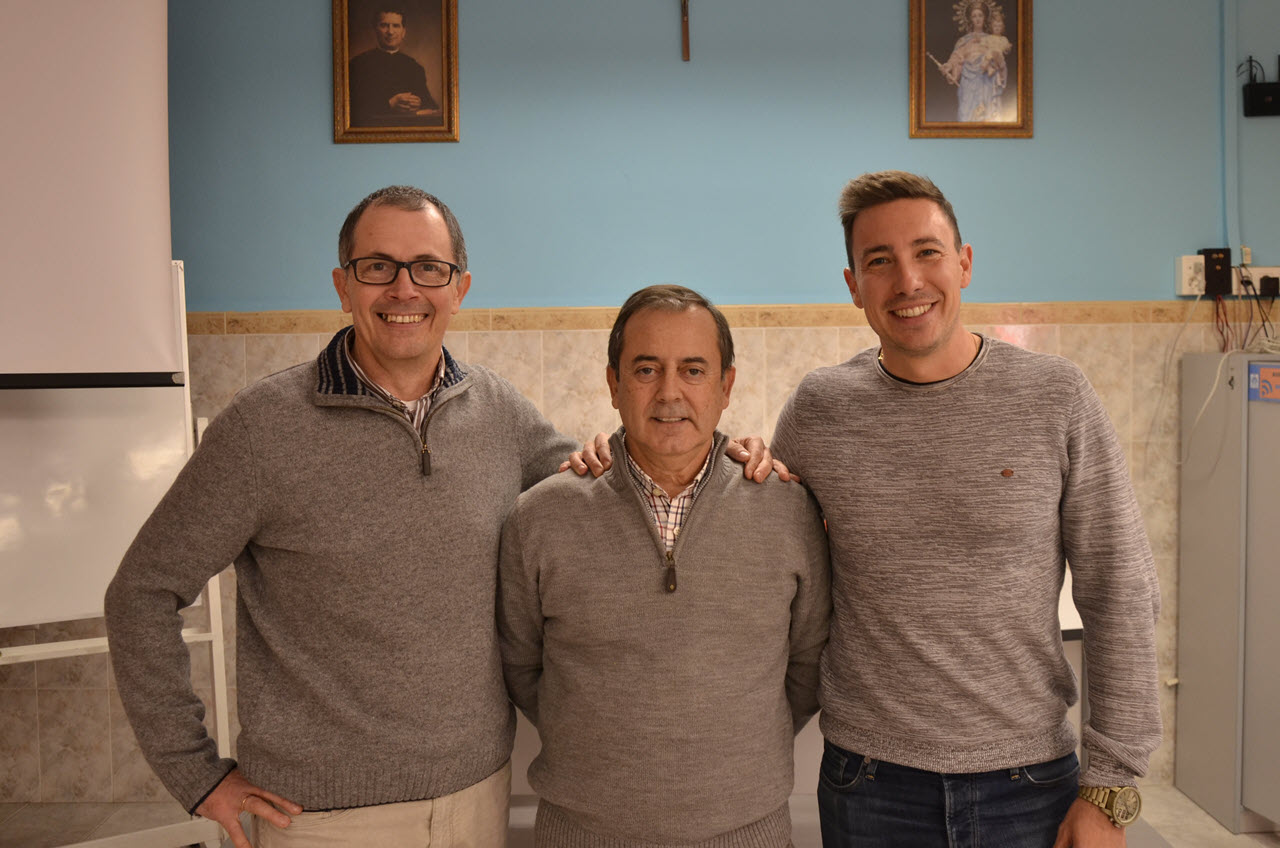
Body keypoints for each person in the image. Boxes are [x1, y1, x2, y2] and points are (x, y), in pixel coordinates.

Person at [104, 185, 582, 848]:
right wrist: (194, 772)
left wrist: (722, 459)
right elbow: (142, 591)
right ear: (343, 285)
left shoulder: (501, 413)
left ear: (460, 288)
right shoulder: (262, 427)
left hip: (476, 796)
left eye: (429, 268)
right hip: (319, 818)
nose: (404, 288)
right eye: (378, 266)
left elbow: (597, 491)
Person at [770, 170, 1162, 847]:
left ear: (965, 263)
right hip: (868, 784)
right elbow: (763, 546)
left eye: (927, 252)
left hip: (1029, 786)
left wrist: (1110, 788)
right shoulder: (820, 408)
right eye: (879, 261)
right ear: (854, 285)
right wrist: (618, 456)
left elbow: (1120, 589)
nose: (908, 281)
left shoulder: (1055, 395)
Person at [498, 285, 831, 846]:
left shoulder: (787, 510)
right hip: (581, 834)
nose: (669, 392)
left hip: (747, 833)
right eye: (646, 369)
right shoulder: (540, 517)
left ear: (726, 386)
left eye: (693, 370)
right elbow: (521, 665)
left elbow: (807, 666)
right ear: (614, 384)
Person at [348, 7, 440, 126]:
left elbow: (431, 106)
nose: (390, 32)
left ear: (403, 32)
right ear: (375, 29)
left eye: (396, 26)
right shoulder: (357, 64)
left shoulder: (414, 67)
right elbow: (351, 108)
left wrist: (419, 103)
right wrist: (389, 104)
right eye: (384, 25)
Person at [935, 0, 1008, 122]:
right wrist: (948, 67)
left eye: (980, 15)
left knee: (986, 114)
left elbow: (998, 60)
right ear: (970, 19)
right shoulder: (964, 41)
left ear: (985, 18)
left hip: (986, 82)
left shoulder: (992, 39)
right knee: (967, 116)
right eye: (974, 16)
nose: (977, 19)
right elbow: (956, 58)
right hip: (968, 84)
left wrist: (993, 61)